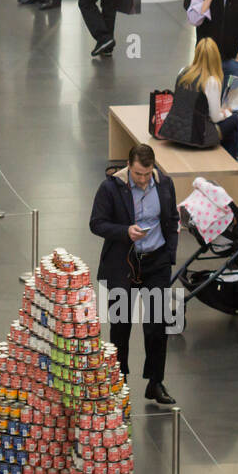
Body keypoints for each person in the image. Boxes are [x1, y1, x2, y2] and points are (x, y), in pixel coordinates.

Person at [89, 144, 180, 406]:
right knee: (120, 325)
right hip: (121, 264)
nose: (143, 179)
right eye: (138, 174)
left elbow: (172, 219)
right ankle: (119, 381)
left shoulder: (165, 184)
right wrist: (125, 231)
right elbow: (96, 223)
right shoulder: (110, 187)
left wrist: (169, 254)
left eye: (147, 173)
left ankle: (155, 382)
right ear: (129, 166)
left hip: (156, 262)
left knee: (157, 326)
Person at [176, 38, 238, 161]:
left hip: (179, 131)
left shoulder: (182, 72)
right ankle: (232, 159)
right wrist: (227, 112)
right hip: (198, 136)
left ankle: (233, 159)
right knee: (234, 118)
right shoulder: (211, 81)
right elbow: (215, 118)